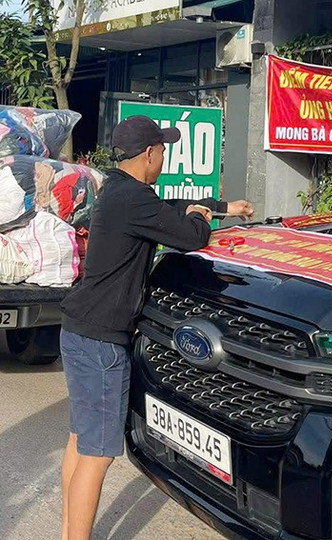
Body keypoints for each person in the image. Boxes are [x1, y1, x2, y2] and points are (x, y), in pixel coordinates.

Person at [58, 115, 254, 540]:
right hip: (101, 342)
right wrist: (203, 219)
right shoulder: (134, 200)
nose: (164, 157)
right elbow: (191, 235)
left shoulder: (119, 191)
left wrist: (222, 207)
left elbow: (170, 209)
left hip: (77, 329)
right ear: (149, 153)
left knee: (80, 438)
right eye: (163, 150)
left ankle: (68, 532)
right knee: (98, 454)